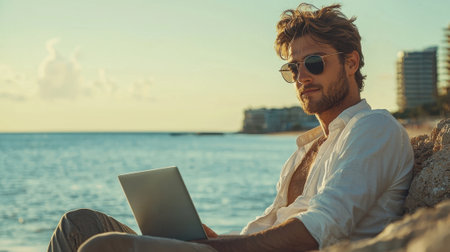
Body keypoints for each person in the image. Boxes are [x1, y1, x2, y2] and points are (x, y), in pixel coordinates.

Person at [48, 3, 414, 252]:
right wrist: (211, 237)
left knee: (100, 247)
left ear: (351, 62)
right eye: (293, 68)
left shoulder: (373, 128)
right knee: (78, 224)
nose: (302, 76)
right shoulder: (307, 149)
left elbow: (322, 227)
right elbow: (268, 231)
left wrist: (215, 247)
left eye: (314, 63)